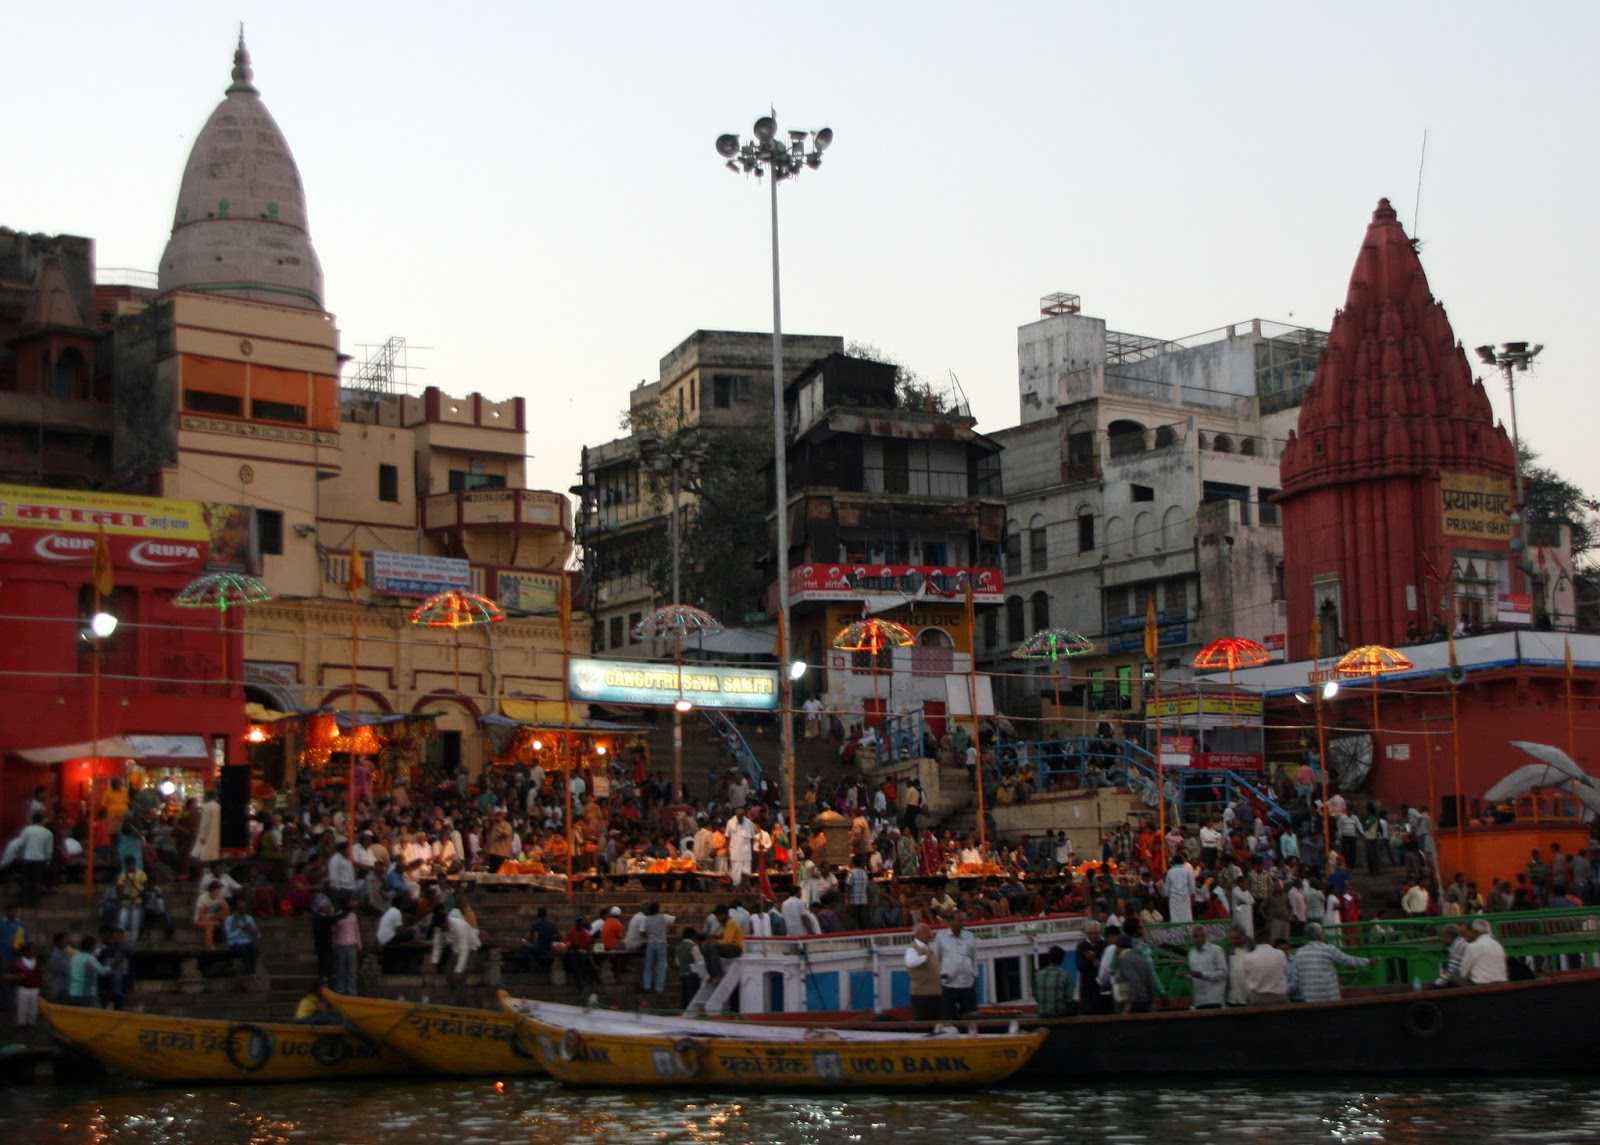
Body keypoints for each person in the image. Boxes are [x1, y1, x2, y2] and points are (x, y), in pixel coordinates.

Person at [1292, 923, 1371, 1002]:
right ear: (1319, 935)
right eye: (1323, 932)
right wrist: (1368, 961)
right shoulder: (1328, 949)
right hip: (1329, 998)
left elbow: (1295, 977)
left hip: (1310, 999)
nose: (1325, 934)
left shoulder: (1298, 953)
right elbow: (1347, 960)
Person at [934, 913, 978, 1018]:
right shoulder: (941, 937)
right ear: (950, 922)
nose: (962, 923)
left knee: (970, 1016)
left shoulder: (969, 936)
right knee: (948, 1016)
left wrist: (975, 975)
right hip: (948, 984)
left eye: (963, 920)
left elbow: (973, 958)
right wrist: (941, 975)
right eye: (959, 920)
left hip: (967, 983)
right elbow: (937, 958)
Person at [904, 922, 943, 1021]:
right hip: (922, 995)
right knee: (923, 1025)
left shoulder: (929, 949)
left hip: (936, 994)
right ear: (917, 935)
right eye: (926, 932)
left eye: (929, 932)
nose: (929, 935)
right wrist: (926, 956)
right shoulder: (912, 949)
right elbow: (911, 963)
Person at [1113, 933, 1158, 1013]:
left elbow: (1134, 981)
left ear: (1119, 947)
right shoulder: (1141, 957)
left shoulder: (1124, 959)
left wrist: (1129, 1004)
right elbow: (1150, 980)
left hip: (1133, 1004)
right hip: (1145, 1002)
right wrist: (1151, 1001)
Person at [15, 813, 54, 907]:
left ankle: (25, 901)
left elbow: (21, 844)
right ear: (42, 820)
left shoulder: (26, 830)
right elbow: (48, 850)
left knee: (26, 881)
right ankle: (35, 902)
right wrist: (48, 861)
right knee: (37, 882)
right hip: (40, 860)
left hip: (27, 858)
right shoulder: (47, 833)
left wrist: (20, 856)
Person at [1186, 926, 1229, 1009]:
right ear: (1192, 938)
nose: (1198, 938)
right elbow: (1194, 975)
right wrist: (1189, 976)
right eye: (1195, 936)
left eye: (1202, 935)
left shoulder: (1216, 950)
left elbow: (1223, 973)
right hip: (1199, 1001)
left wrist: (1202, 975)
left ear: (1207, 936)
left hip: (1214, 999)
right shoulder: (1191, 953)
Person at [640, 902, 676, 995]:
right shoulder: (663, 917)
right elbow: (674, 919)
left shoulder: (646, 919)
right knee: (661, 966)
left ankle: (647, 986)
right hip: (662, 943)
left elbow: (642, 932)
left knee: (648, 966)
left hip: (651, 943)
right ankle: (659, 988)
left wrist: (650, 934)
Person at [1458, 918, 1508, 984]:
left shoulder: (1473, 946)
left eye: (1464, 934)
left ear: (1475, 931)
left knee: (1453, 978)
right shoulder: (1498, 945)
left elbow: (1463, 973)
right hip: (1501, 984)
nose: (1465, 938)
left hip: (1480, 986)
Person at [1076, 921, 1111, 1014]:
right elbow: (1080, 966)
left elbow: (1108, 965)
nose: (1094, 936)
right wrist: (1089, 961)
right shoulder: (1082, 946)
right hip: (1088, 987)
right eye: (1091, 934)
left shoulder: (1105, 945)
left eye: (1097, 933)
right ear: (1087, 934)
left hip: (1103, 987)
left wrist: (1095, 961)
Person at [66, 934, 108, 1007]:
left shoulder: (75, 957)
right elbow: (102, 971)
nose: (96, 947)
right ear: (91, 946)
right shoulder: (89, 958)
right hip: (86, 994)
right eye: (95, 945)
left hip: (73, 992)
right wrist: (112, 966)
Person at [331, 897, 361, 996]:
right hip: (340, 945)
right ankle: (340, 992)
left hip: (352, 945)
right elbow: (334, 932)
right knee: (341, 971)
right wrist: (334, 944)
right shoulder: (338, 916)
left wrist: (359, 944)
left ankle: (352, 993)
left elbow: (356, 930)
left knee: (352, 971)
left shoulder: (353, 916)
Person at [1033, 945, 1073, 1018]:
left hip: (1042, 1014)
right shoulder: (1066, 975)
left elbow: (1036, 997)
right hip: (1059, 1015)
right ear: (1062, 960)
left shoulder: (1038, 974)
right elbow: (1069, 999)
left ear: (1049, 958)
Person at [224, 901, 262, 975]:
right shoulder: (229, 919)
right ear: (236, 910)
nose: (242, 911)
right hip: (235, 943)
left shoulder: (249, 918)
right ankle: (248, 972)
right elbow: (228, 936)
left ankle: (251, 972)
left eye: (243, 909)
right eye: (240, 909)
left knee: (253, 948)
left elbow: (258, 935)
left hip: (247, 942)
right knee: (244, 948)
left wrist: (254, 931)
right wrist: (240, 929)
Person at [115, 857, 147, 943]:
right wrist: (127, 897)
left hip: (137, 902)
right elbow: (119, 890)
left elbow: (145, 888)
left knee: (135, 923)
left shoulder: (141, 874)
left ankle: (133, 941)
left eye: (132, 863)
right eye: (129, 864)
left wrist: (136, 897)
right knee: (122, 922)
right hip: (125, 902)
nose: (131, 865)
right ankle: (123, 941)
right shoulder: (122, 875)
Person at [676, 926, 708, 1010]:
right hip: (692, 974)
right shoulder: (693, 946)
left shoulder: (678, 947)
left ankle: (683, 1011)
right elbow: (699, 961)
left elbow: (677, 962)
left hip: (682, 973)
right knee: (692, 996)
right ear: (692, 936)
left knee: (684, 995)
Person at [725, 809, 756, 888]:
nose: (740, 818)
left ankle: (746, 889)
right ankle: (736, 890)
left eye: (741, 816)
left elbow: (752, 839)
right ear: (736, 815)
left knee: (746, 874)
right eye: (738, 816)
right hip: (735, 853)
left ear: (744, 815)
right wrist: (727, 850)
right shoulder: (730, 822)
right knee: (736, 877)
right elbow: (727, 838)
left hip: (746, 854)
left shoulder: (749, 823)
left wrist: (752, 851)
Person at [13, 942, 41, 1026]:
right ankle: (22, 1023)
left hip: (35, 988)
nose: (33, 952)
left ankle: (31, 1022)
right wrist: (18, 977)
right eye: (31, 950)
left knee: (34, 1008)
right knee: (22, 1007)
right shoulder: (19, 963)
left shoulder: (37, 962)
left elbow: (40, 974)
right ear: (25, 952)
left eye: (34, 950)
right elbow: (13, 974)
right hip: (23, 988)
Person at [1165, 857, 1195, 924]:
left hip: (1174, 898)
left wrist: (1167, 898)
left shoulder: (1170, 872)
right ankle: (1188, 932)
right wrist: (1192, 897)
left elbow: (1166, 889)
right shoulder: (1187, 871)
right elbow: (1192, 886)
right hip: (1185, 897)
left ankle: (1176, 933)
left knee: (1175, 917)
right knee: (1187, 916)